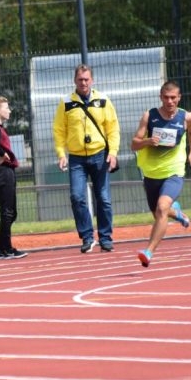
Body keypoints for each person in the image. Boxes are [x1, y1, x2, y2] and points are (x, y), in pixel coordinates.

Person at [52, 64, 120, 253]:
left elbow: (113, 128)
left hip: (100, 155)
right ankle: (87, 237)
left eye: (86, 79)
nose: (83, 82)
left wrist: (113, 153)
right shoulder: (65, 102)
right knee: (77, 196)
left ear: (92, 80)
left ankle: (105, 237)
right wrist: (60, 153)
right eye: (80, 79)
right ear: (75, 80)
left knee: (104, 198)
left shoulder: (103, 100)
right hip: (76, 158)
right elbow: (59, 130)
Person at [131, 80, 191, 267]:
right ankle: (176, 213)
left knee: (161, 208)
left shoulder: (187, 117)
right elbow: (134, 143)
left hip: (174, 171)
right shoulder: (149, 116)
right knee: (159, 212)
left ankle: (148, 252)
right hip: (151, 173)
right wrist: (147, 142)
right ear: (161, 97)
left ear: (179, 98)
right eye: (166, 98)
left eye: (173, 98)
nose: (170, 101)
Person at [0, 95, 27, 259]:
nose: (9, 110)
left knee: (11, 212)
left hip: (6, 171)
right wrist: (3, 154)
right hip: (3, 172)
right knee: (8, 212)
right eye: (6, 107)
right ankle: (4, 249)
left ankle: (3, 247)